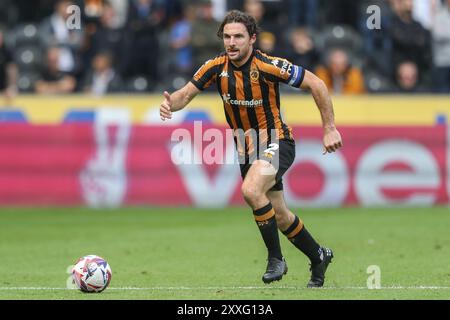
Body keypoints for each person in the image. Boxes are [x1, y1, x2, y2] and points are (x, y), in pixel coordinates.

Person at [159, 10, 342, 288]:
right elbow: (184, 95)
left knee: (251, 190)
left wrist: (329, 128)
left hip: (278, 141)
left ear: (252, 39)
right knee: (280, 215)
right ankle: (318, 256)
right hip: (247, 150)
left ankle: (275, 259)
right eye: (227, 37)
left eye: (238, 37)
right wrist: (169, 104)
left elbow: (316, 83)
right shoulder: (214, 67)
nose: (231, 43)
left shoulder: (269, 66)